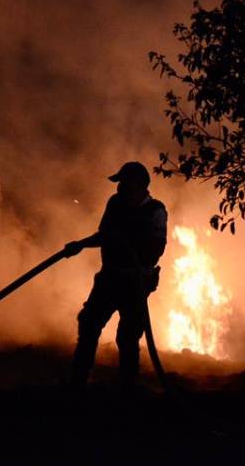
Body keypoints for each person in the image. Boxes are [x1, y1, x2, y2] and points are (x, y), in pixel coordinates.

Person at [63, 161, 167, 388]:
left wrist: (128, 241)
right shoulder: (116, 204)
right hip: (110, 278)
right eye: (120, 183)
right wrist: (80, 245)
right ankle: (77, 384)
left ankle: (127, 390)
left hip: (135, 283)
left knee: (128, 337)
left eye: (125, 183)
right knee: (89, 324)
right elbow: (104, 235)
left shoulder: (155, 211)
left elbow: (156, 250)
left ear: (140, 185)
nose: (120, 188)